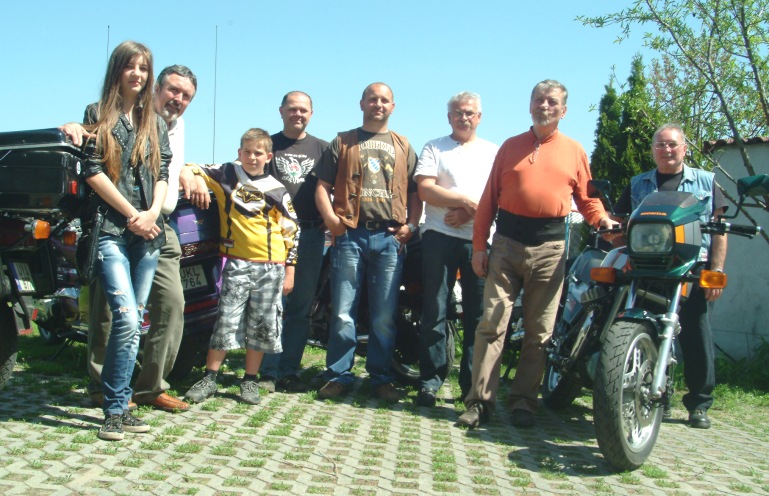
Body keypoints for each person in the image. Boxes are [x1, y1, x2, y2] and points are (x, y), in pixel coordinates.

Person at [457, 80, 616, 429]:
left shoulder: (574, 151)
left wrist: (602, 220)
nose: (545, 106)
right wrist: (480, 247)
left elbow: (587, 200)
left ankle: (523, 403)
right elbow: (488, 200)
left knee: (539, 332)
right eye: (539, 100)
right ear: (530, 106)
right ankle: (479, 403)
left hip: (549, 250)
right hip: (505, 246)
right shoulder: (510, 147)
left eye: (552, 101)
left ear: (564, 110)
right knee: (491, 325)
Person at [63, 65, 198, 413]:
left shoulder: (177, 126)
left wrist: (191, 170)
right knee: (110, 308)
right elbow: (90, 136)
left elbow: (167, 166)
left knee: (171, 303)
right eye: (173, 90)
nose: (178, 99)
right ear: (156, 88)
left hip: (158, 224)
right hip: (114, 221)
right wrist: (74, 127)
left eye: (186, 96)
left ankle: (151, 388)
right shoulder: (120, 113)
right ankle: (102, 386)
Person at [80, 41, 171, 440]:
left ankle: (120, 403)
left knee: (135, 322)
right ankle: (114, 410)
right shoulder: (96, 114)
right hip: (111, 230)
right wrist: (133, 215)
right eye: (131, 67)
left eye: (144, 68)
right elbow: (92, 171)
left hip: (148, 234)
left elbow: (163, 172)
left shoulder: (156, 122)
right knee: (127, 317)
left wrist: (152, 213)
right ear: (117, 71)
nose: (138, 74)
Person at [614, 123, 727, 429]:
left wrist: (716, 269)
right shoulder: (638, 183)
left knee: (696, 332)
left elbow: (720, 230)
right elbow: (619, 224)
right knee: (646, 328)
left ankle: (699, 403)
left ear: (684, 149)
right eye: (661, 145)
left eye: (673, 144)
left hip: (693, 265)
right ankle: (656, 394)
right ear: (653, 150)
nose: (667, 150)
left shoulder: (705, 181)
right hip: (649, 266)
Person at [314, 82, 422, 403]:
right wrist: (332, 220)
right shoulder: (343, 141)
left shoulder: (403, 145)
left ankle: (381, 378)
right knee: (342, 312)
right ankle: (338, 375)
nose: (378, 104)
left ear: (393, 106)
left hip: (389, 238)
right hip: (350, 234)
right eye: (372, 99)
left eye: (384, 100)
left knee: (384, 315)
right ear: (361, 103)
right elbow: (322, 187)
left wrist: (412, 226)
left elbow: (415, 192)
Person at [181, 128, 299, 406]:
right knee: (226, 320)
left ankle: (250, 380)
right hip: (236, 263)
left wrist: (290, 269)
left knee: (262, 324)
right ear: (239, 153)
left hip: (271, 266)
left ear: (268, 157)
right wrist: (192, 178)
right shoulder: (226, 174)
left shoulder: (277, 190)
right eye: (247, 152)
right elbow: (190, 167)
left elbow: (292, 230)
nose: (252, 157)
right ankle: (210, 377)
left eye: (258, 153)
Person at [413, 91, 498, 407]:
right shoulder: (434, 147)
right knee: (434, 310)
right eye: (458, 113)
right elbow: (425, 189)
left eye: (470, 113)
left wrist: (470, 213)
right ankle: (429, 382)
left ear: (479, 117)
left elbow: (499, 194)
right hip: (438, 235)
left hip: (480, 241)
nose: (464, 117)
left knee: (477, 315)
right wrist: (464, 201)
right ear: (449, 117)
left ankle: (470, 387)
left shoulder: (493, 152)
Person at [258, 91, 329, 393]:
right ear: (281, 111)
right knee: (272, 303)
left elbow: (337, 186)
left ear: (311, 114)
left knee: (301, 305)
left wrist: (333, 216)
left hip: (311, 235)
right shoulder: (267, 145)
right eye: (292, 109)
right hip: (274, 235)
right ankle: (266, 371)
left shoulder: (323, 148)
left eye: (303, 110)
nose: (297, 114)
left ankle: (288, 370)